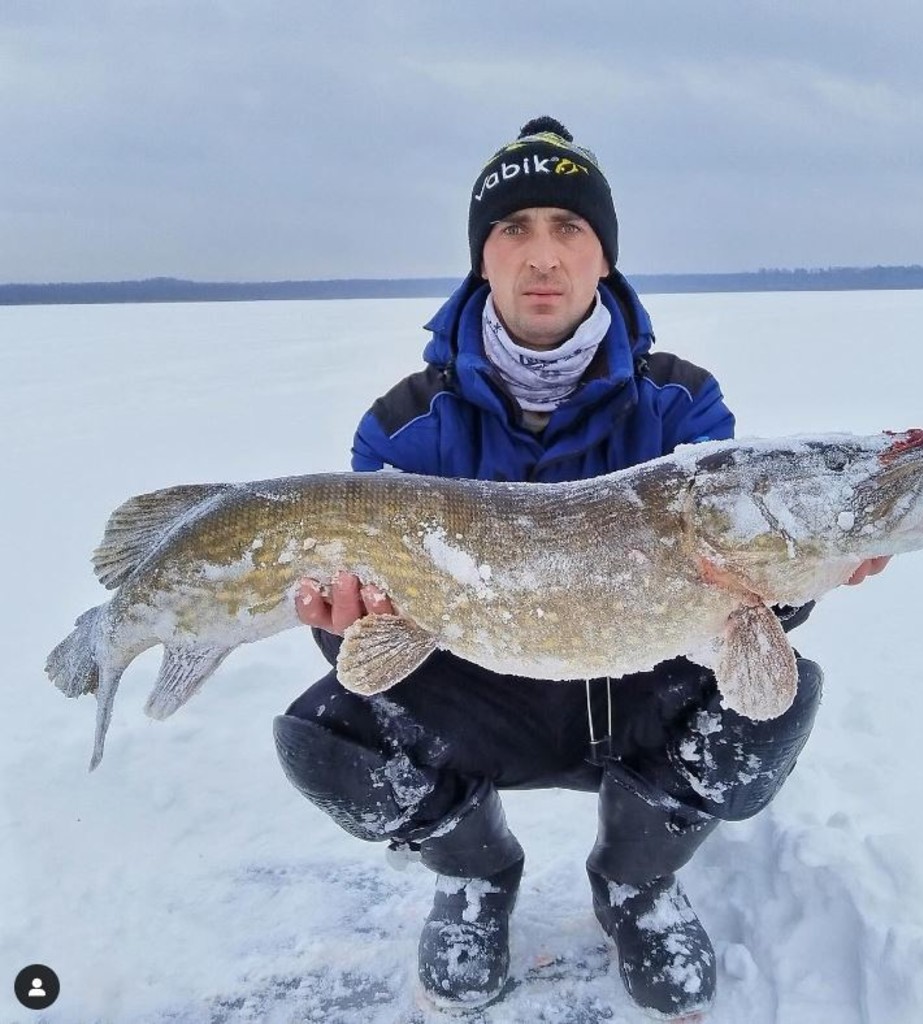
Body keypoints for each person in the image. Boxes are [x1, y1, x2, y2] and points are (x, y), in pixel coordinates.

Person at [274, 116, 889, 1017]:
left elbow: (734, 576)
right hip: (486, 697)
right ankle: (476, 875)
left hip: (638, 692)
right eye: (512, 230)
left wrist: (793, 586)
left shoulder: (682, 402)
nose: (542, 257)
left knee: (776, 701)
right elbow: (379, 628)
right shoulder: (404, 427)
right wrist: (350, 627)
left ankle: (635, 882)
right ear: (480, 260)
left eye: (570, 229)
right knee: (325, 736)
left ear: (604, 258)